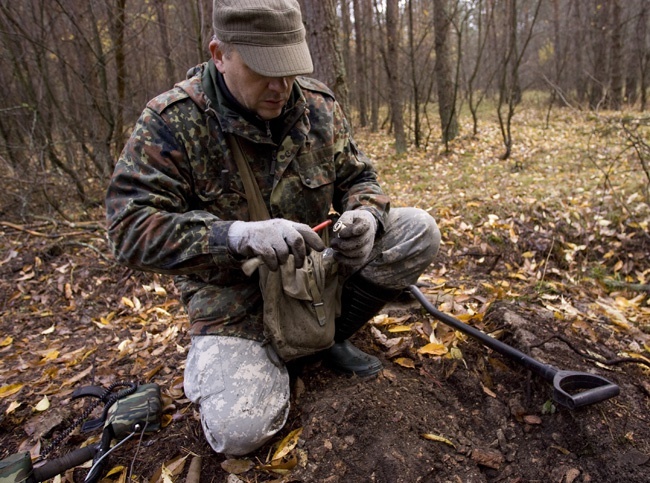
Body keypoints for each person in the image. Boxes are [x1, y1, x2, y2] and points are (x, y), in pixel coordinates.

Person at [105, 0, 441, 456]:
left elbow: (360, 179)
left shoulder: (316, 105)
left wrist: (365, 215)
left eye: (290, 68)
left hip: (313, 273)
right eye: (265, 69)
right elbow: (129, 228)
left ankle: (327, 337)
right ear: (219, 54)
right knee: (240, 431)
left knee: (417, 229)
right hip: (235, 304)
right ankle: (263, 360)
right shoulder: (173, 122)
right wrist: (235, 236)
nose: (281, 86)